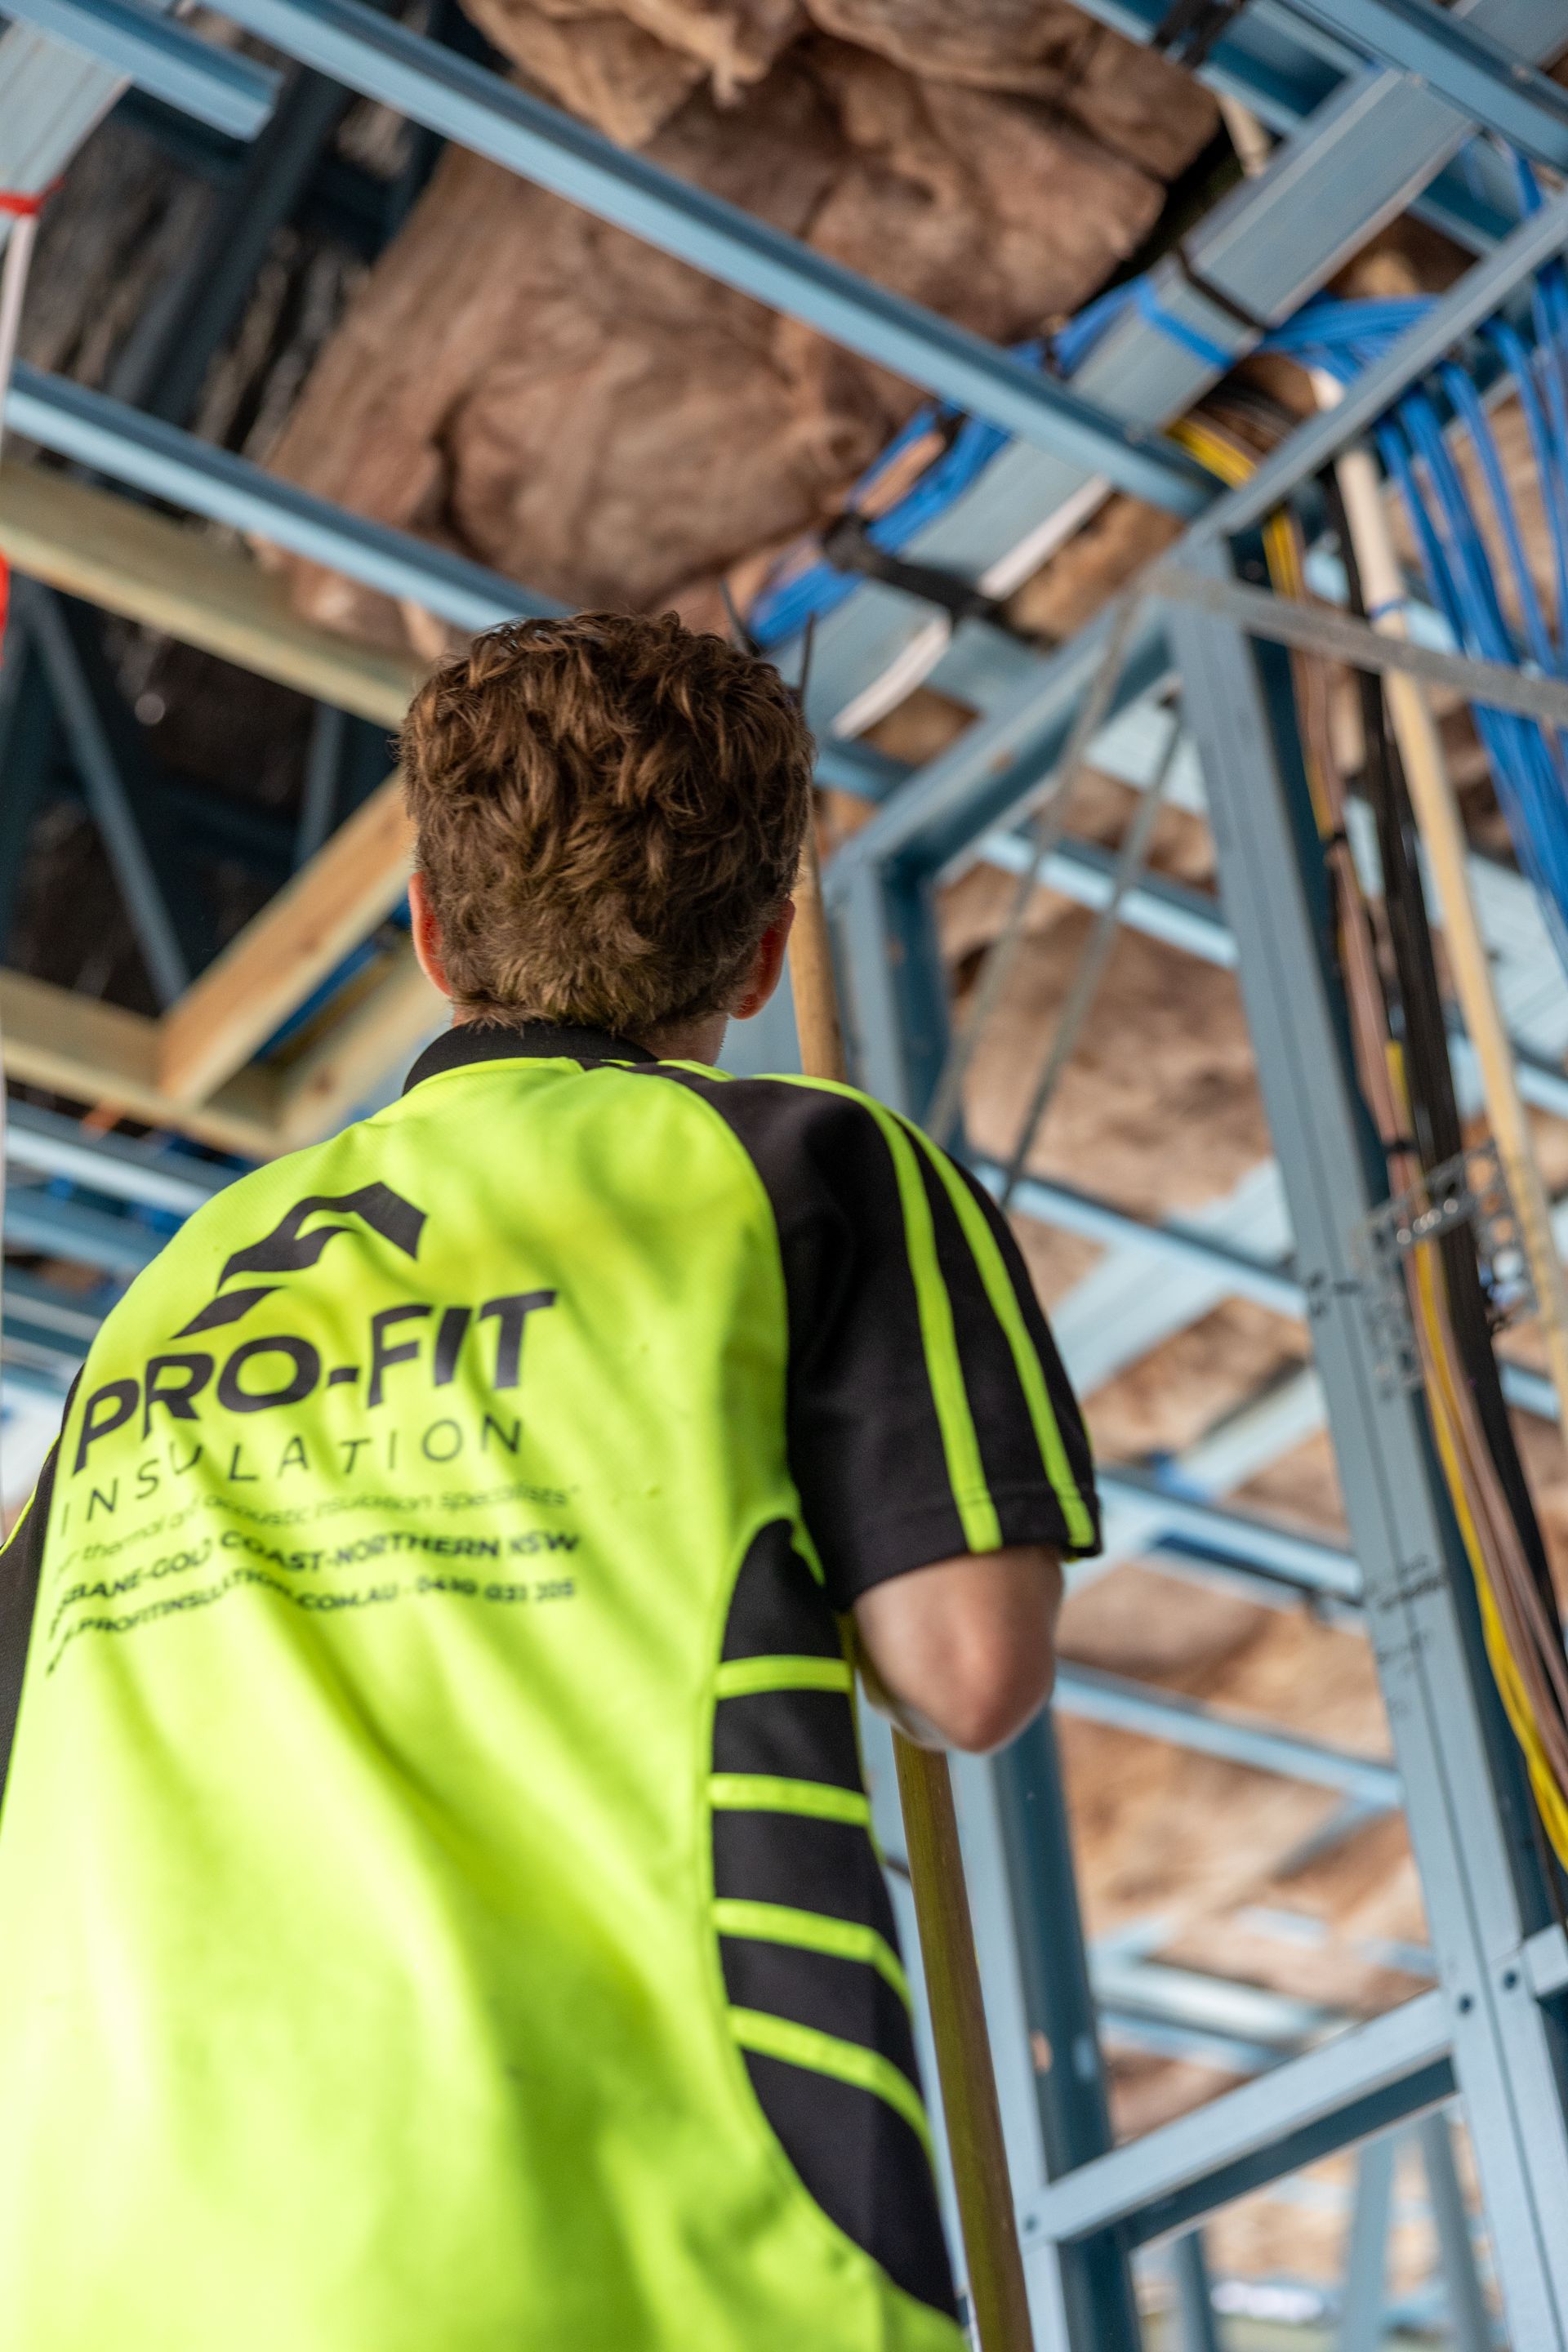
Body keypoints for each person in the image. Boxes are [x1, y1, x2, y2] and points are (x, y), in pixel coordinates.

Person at [0, 612, 1098, 2351]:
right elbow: (967, 1671)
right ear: (760, 958)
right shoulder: (800, 1170)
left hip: (107, 2270)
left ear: (431, 936)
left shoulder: (168, 1297)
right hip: (626, 2242)